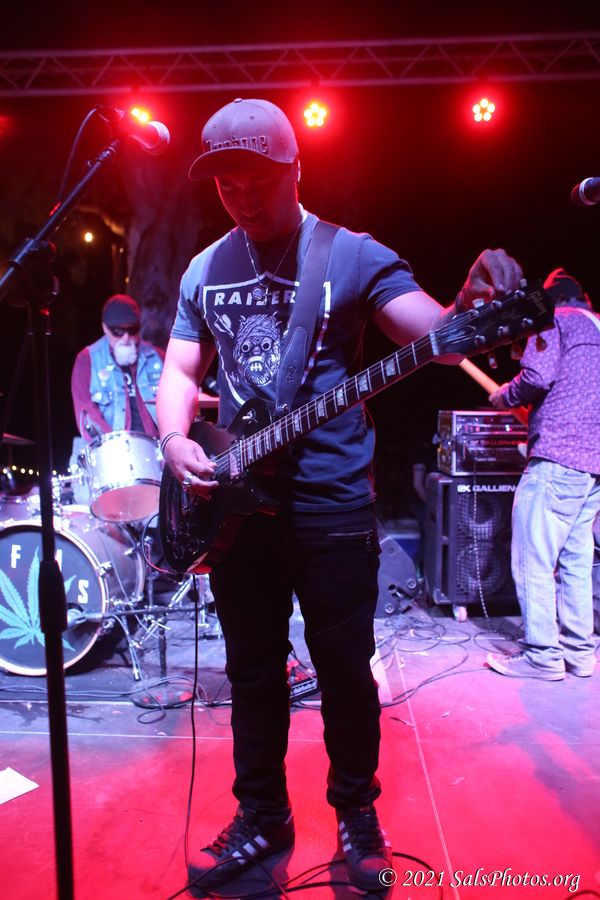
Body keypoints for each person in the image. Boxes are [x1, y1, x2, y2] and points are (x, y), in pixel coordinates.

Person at [156, 97, 523, 893]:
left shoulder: (349, 255)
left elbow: (427, 333)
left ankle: (357, 811)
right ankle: (262, 815)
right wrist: (176, 439)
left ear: (296, 170)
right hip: (237, 509)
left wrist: (467, 317)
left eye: (257, 184)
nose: (243, 201)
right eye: (226, 187)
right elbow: (181, 370)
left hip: (331, 504)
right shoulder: (205, 269)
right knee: (253, 673)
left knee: (346, 674)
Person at [487, 268, 600, 681]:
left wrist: (504, 395)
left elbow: (537, 375)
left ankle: (542, 656)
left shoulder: (554, 320)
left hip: (558, 457)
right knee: (576, 563)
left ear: (553, 300)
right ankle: (580, 654)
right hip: (593, 467)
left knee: (533, 559)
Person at [71, 293, 164, 442]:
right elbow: (86, 415)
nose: (126, 338)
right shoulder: (87, 360)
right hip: (112, 450)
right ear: (105, 328)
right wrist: (114, 446)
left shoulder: (158, 358)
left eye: (132, 330)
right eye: (118, 332)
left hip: (155, 448)